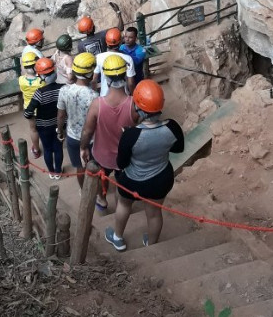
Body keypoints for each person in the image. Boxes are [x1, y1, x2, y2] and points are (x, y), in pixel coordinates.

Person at [104, 80, 184, 252]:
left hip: (132, 180)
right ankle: (152, 243)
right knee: (154, 212)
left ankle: (118, 237)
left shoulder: (131, 135)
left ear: (137, 105)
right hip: (161, 178)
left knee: (124, 205)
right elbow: (179, 148)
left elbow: (121, 163)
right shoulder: (172, 127)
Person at [80, 54, 136, 212]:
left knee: (100, 177)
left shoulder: (97, 105)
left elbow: (87, 131)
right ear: (125, 75)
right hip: (125, 158)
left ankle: (102, 200)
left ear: (106, 77)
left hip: (102, 154)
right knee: (121, 185)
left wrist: (83, 148)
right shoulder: (134, 104)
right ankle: (122, 208)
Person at [56, 53, 98, 189]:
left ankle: (83, 190)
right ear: (90, 73)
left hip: (72, 136)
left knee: (79, 168)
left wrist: (59, 131)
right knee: (94, 166)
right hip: (91, 138)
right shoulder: (94, 96)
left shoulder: (64, 91)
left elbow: (61, 115)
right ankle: (97, 194)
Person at [24, 57, 63, 180]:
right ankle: (58, 172)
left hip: (43, 126)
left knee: (47, 149)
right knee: (58, 148)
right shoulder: (62, 88)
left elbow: (28, 112)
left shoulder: (39, 92)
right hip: (59, 125)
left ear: (41, 77)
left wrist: (30, 116)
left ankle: (51, 172)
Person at [18, 51, 44, 159]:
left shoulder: (21, 80)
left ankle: (36, 150)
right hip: (42, 108)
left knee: (33, 129)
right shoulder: (40, 82)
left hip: (29, 109)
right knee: (45, 128)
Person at [94, 28, 135, 96]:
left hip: (105, 96)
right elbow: (131, 83)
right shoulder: (128, 59)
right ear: (120, 42)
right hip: (123, 95)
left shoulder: (99, 57)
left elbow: (94, 80)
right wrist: (133, 96)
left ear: (106, 42)